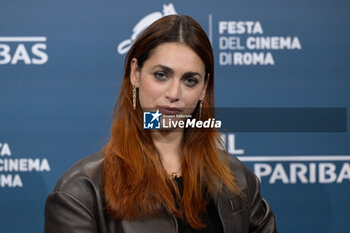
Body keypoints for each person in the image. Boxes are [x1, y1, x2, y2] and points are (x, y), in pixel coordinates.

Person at [44, 15, 277, 233]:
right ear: (135, 73)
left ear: (204, 88)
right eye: (161, 75)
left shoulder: (238, 180)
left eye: (190, 80)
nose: (174, 93)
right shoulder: (81, 193)